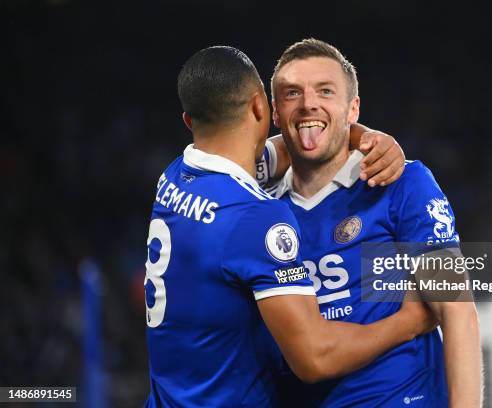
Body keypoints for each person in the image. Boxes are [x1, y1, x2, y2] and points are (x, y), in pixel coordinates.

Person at [143, 46, 437, 407]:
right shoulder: (255, 216)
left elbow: (287, 149)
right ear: (262, 108)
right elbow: (315, 358)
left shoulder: (175, 177)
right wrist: (409, 320)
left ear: (189, 121)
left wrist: (363, 136)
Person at [268, 39, 482, 407]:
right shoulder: (258, 206)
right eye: (292, 93)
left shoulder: (402, 184)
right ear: (274, 112)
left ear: (353, 109)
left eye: (325, 90)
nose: (308, 103)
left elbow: (456, 307)